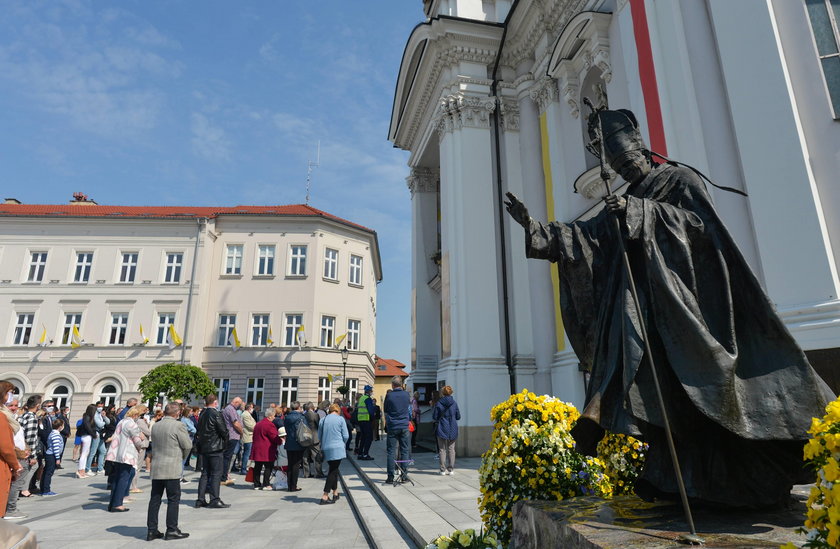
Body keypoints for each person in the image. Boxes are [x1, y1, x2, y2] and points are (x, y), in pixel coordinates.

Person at [504, 107, 835, 508]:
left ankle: (605, 408)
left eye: (629, 161)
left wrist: (642, 213)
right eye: (619, 166)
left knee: (682, 375)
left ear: (643, 150)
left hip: (689, 308)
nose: (627, 171)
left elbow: (701, 229)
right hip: (653, 313)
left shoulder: (679, 180)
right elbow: (590, 239)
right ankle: (672, 470)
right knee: (657, 382)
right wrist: (539, 230)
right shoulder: (625, 199)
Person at [146, 403, 192, 542]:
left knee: (155, 499)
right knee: (173, 499)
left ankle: (151, 530)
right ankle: (172, 529)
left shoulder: (156, 425)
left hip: (157, 466)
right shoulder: (178, 425)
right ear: (177, 413)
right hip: (171, 467)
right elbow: (187, 445)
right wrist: (182, 457)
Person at [105, 405, 145, 512]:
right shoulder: (132, 424)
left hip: (117, 453)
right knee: (124, 478)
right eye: (139, 416)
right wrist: (142, 441)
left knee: (118, 478)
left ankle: (113, 502)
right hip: (127, 454)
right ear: (135, 415)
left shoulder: (121, 422)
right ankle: (118, 503)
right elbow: (137, 441)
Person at [194, 394, 230, 509]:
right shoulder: (215, 414)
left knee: (205, 473)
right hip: (215, 447)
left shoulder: (202, 413)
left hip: (204, 447)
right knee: (216, 473)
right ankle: (214, 499)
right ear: (215, 402)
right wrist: (225, 439)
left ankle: (200, 499)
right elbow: (223, 430)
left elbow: (198, 430)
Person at [2, 388, 28, 519]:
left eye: (16, 405)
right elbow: (6, 446)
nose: (13, 407)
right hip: (11, 458)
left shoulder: (12, 418)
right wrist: (16, 462)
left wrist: (26, 448)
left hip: (16, 456)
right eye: (10, 405)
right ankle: (10, 509)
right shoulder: (3, 417)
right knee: (14, 484)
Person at [317, 403, 349, 505]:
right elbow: (346, 435)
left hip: (326, 448)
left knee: (333, 469)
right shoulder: (340, 419)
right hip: (337, 448)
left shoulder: (323, 420)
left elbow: (319, 436)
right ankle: (325, 495)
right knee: (333, 471)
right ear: (338, 410)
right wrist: (342, 443)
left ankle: (335, 493)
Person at [383, 376, 411, 484]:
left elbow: (385, 411)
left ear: (392, 385)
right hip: (404, 425)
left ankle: (390, 477)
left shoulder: (389, 395)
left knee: (391, 451)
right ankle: (404, 476)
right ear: (401, 384)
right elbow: (409, 410)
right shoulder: (406, 395)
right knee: (404, 450)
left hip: (393, 426)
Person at [432, 386, 461, 475]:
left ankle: (442, 469)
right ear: (451, 392)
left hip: (442, 427)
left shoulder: (439, 403)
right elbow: (458, 416)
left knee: (442, 449)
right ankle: (451, 469)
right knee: (451, 449)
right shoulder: (454, 403)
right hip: (452, 427)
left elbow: (435, 417)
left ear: (443, 393)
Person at [250, 408, 280, 490]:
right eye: (274, 416)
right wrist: (280, 441)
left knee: (257, 467)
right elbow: (274, 437)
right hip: (266, 449)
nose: (274, 418)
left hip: (257, 448)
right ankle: (266, 484)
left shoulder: (258, 424)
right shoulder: (269, 425)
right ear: (270, 416)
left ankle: (256, 484)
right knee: (268, 467)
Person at [18, 396, 41, 491]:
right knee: (30, 467)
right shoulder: (32, 418)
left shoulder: (24, 415)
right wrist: (32, 455)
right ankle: (23, 489)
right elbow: (30, 437)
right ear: (38, 405)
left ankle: (23, 489)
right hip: (27, 450)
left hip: (22, 448)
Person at [282, 401, 305, 492]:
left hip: (289, 443)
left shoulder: (287, 417)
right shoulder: (301, 417)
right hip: (298, 443)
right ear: (298, 407)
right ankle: (293, 486)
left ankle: (289, 485)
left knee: (290, 464)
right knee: (296, 465)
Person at [220, 397, 243, 485]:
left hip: (231, 435)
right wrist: (241, 432)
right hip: (232, 435)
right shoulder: (231, 409)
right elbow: (235, 423)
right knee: (227, 457)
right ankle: (223, 478)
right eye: (239, 404)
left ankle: (224, 476)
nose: (240, 406)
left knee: (227, 457)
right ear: (236, 402)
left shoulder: (229, 409)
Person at [40, 418, 64, 496]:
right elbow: (56, 447)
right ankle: (46, 490)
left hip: (50, 454)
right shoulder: (56, 435)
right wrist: (58, 458)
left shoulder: (52, 433)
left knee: (46, 472)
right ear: (60, 426)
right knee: (49, 473)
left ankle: (43, 488)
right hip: (52, 455)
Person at [130, 405, 151, 493]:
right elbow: (148, 432)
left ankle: (133, 485)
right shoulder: (140, 421)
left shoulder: (134, 420)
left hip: (136, 443)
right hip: (142, 444)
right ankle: (134, 486)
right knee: (137, 466)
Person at [301, 402, 323, 478]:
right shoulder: (315, 415)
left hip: (305, 438)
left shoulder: (302, 415)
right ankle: (318, 473)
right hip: (314, 438)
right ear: (312, 407)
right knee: (317, 456)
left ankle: (306, 473)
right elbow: (319, 426)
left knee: (305, 457)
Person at [356, 387, 375, 460]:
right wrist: (373, 417)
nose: (372, 392)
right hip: (366, 419)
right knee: (369, 438)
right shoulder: (368, 399)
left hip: (360, 419)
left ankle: (360, 453)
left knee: (363, 437)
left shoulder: (361, 398)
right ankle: (365, 454)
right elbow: (370, 411)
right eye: (371, 391)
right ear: (369, 391)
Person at [238, 402, 256, 476]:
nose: (252, 409)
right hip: (247, 436)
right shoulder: (245, 415)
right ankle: (243, 469)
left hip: (249, 436)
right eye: (252, 408)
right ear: (249, 408)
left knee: (247, 453)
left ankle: (244, 468)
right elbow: (250, 426)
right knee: (246, 453)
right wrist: (257, 426)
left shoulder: (247, 414)